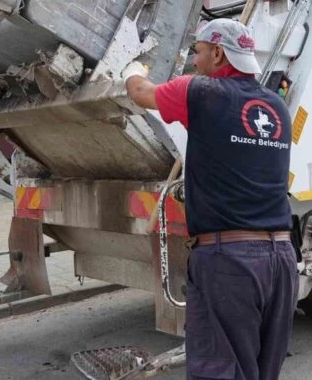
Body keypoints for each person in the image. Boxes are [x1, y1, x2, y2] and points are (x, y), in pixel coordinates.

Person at [122, 19, 298, 380]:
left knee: (219, 370)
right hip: (281, 261)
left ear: (218, 53)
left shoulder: (202, 92)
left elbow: (140, 92)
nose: (193, 61)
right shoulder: (278, 108)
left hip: (229, 263)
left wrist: (131, 65)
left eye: (198, 52)